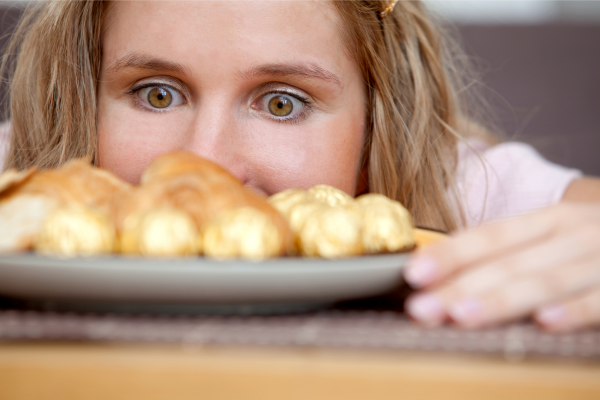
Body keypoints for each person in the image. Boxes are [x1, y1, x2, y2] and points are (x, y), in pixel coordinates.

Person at [1, 0, 599, 331]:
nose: (203, 161)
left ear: (377, 126)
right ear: (79, 98)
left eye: (282, 103)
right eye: (157, 93)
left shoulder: (456, 189)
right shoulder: (23, 186)